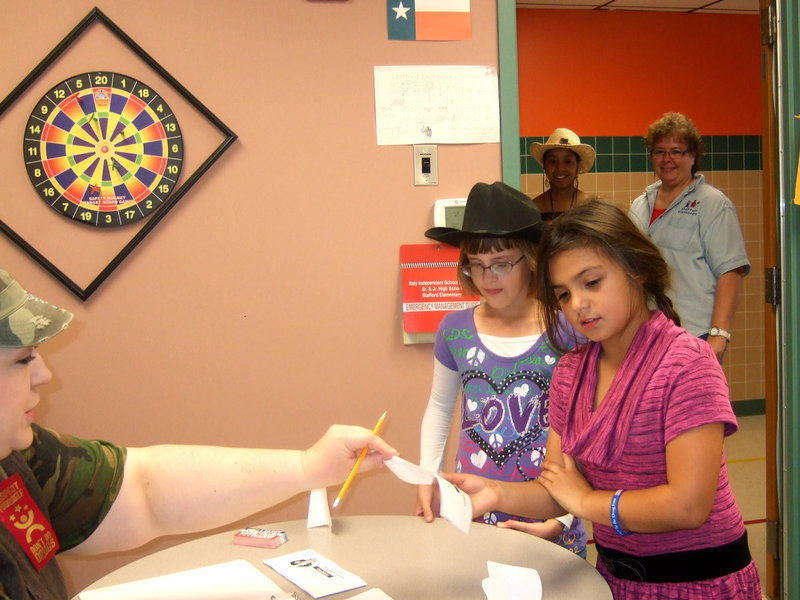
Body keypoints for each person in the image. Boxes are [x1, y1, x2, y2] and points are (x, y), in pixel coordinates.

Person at [0, 268, 398, 600]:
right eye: (22, 360)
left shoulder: (17, 458)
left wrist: (309, 466)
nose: (44, 375)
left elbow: (142, 489)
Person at [442, 199, 762, 599]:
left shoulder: (686, 364)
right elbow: (558, 486)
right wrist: (496, 492)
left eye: (592, 282)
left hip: (699, 582)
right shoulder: (571, 372)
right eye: (563, 294)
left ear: (637, 268)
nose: (578, 305)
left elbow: (687, 505)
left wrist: (589, 502)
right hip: (614, 580)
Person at [415, 181, 586, 557]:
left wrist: (567, 516)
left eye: (501, 264)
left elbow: (585, 427)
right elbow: (441, 408)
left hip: (550, 513)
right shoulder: (455, 330)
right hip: (474, 510)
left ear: (532, 259)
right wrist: (427, 476)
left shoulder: (568, 331)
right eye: (476, 265)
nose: (487, 277)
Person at [628, 112, 749, 362]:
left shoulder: (713, 204)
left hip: (694, 336)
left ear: (693, 156)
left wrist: (718, 335)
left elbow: (731, 272)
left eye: (677, 151)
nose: (667, 159)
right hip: (645, 336)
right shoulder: (640, 205)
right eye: (659, 151)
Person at [529, 128, 596, 222]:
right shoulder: (533, 209)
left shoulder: (593, 206)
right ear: (544, 165)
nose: (560, 168)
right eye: (553, 161)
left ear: (578, 165)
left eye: (568, 161)